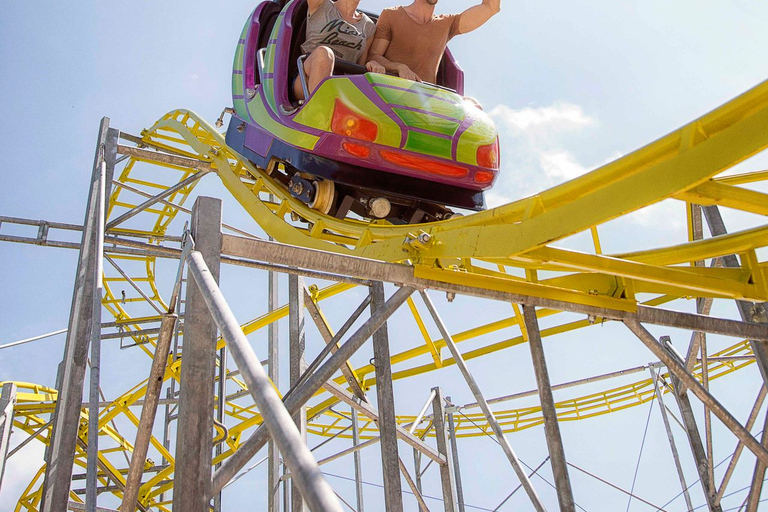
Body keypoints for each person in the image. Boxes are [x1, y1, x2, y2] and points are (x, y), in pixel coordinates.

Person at [368, 0, 500, 85]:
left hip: (426, 104)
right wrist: (399, 67)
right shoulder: (391, 15)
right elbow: (373, 56)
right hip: (390, 93)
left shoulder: (447, 24)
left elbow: (491, 8)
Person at [294, 0, 386, 100]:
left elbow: (359, 66)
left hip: (341, 84)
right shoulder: (321, 5)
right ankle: (321, 107)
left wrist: (372, 64)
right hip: (306, 78)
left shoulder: (368, 26)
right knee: (324, 53)